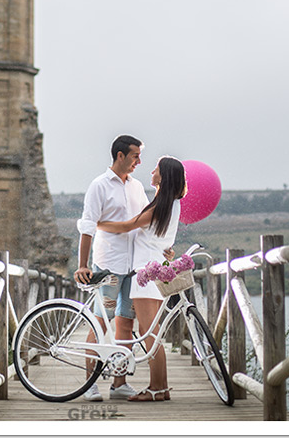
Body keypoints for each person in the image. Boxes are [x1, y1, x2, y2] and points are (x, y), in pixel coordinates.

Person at [96, 156, 187, 402]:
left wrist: (98, 224)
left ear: (164, 176)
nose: (152, 172)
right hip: (157, 271)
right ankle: (162, 387)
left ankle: (157, 387)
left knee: (149, 333)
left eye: (156, 169)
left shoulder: (160, 206)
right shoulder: (172, 204)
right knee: (152, 332)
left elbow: (127, 226)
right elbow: (162, 240)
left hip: (145, 274)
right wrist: (167, 251)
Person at [74, 135, 149, 401]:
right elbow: (87, 225)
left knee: (126, 325)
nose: (139, 161)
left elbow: (142, 223)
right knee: (99, 325)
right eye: (135, 156)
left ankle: (119, 383)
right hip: (108, 267)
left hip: (133, 267)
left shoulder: (137, 186)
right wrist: (83, 264)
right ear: (120, 155)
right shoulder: (99, 185)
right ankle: (89, 384)